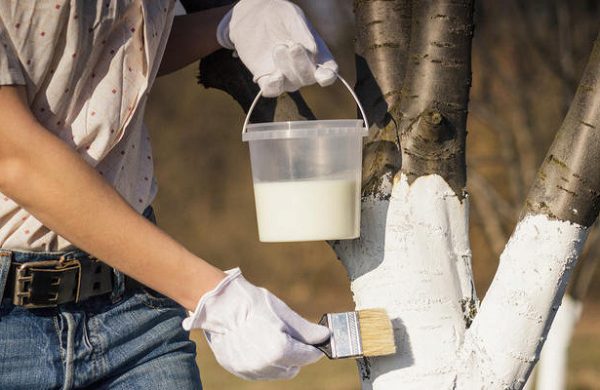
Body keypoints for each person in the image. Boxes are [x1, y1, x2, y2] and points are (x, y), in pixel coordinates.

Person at [0, 0, 339, 388]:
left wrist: (226, 24)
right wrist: (213, 297)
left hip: (133, 309)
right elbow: (13, 155)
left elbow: (106, 48)